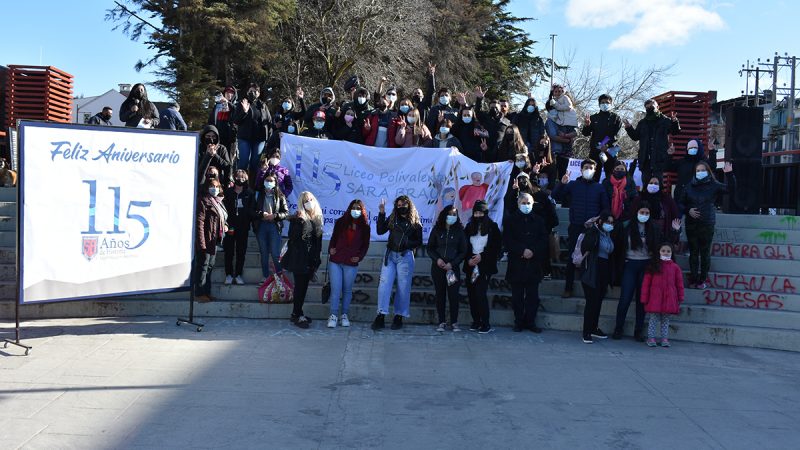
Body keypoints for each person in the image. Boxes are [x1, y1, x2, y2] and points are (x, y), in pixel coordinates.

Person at [612, 201, 681, 341]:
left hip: (647, 266)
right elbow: (617, 244)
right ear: (637, 212)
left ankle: (638, 331)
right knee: (625, 299)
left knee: (641, 300)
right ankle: (618, 328)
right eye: (642, 212)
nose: (644, 215)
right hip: (629, 264)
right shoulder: (626, 226)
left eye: (647, 213)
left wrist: (675, 231)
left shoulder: (654, 227)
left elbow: (664, 244)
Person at [552, 159, 609, 298]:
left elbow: (606, 208)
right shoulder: (573, 185)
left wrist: (598, 219)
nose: (588, 169)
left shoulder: (599, 187)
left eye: (591, 167)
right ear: (581, 169)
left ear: (595, 170)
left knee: (592, 258)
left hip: (593, 229)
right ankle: (568, 288)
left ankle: (592, 289)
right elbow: (555, 196)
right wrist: (561, 183)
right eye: (586, 167)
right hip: (576, 226)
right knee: (572, 257)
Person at [677, 160, 735, 289]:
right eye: (698, 170)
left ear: (708, 171)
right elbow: (680, 202)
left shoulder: (713, 185)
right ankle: (693, 278)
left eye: (703, 170)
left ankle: (702, 279)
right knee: (693, 252)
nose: (700, 172)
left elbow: (730, 189)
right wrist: (688, 210)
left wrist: (729, 175)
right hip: (691, 224)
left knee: (704, 253)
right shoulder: (688, 186)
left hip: (707, 223)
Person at [372, 196, 423, 331]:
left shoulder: (415, 221)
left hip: (405, 256)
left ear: (409, 205)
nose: (401, 207)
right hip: (390, 255)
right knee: (384, 284)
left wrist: (407, 243)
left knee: (403, 287)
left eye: (403, 204)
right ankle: (381, 315)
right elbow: (380, 230)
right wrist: (382, 213)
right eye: (398, 205)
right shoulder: (393, 218)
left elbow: (419, 241)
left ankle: (399, 316)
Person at [504, 193, 548, 332]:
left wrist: (532, 251)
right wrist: (522, 250)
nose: (526, 205)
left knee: (532, 297)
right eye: (523, 202)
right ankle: (518, 322)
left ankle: (530, 322)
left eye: (528, 203)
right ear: (518, 204)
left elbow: (543, 240)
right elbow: (508, 240)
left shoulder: (539, 221)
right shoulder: (511, 220)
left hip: (533, 264)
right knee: (517, 296)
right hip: (517, 263)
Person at [327, 199, 371, 328]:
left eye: (358, 208)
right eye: (353, 207)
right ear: (349, 208)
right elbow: (333, 238)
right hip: (336, 260)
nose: (355, 210)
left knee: (347, 290)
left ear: (362, 210)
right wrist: (331, 248)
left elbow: (365, 245)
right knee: (336, 289)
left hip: (351, 262)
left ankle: (344, 315)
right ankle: (333, 315)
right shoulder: (341, 222)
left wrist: (360, 257)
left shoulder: (365, 227)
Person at [283, 191, 323, 329]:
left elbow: (318, 242)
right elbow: (293, 238)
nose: (309, 202)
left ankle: (297, 313)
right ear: (301, 203)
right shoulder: (298, 219)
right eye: (306, 200)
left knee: (304, 287)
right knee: (300, 288)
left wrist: (317, 260)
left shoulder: (317, 218)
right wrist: (298, 221)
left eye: (311, 199)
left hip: (310, 260)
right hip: (299, 260)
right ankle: (297, 314)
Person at [427, 206, 468, 332]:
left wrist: (453, 263)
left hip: (452, 269)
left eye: (454, 214)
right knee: (440, 295)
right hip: (438, 268)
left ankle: (454, 322)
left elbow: (463, 251)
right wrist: (437, 259)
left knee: (453, 296)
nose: (452, 216)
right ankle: (442, 322)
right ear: (444, 215)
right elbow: (430, 248)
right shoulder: (437, 229)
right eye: (449, 214)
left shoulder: (460, 231)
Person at [464, 200, 502, 333]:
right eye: (476, 213)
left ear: (485, 213)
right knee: (472, 294)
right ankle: (476, 321)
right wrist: (469, 259)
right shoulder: (469, 227)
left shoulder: (492, 227)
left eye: (480, 213)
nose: (478, 215)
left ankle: (485, 323)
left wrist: (482, 256)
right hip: (471, 265)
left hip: (485, 266)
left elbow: (496, 247)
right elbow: (464, 246)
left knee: (480, 293)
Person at [578, 212, 616, 344]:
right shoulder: (593, 232)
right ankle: (586, 331)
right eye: (607, 222)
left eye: (612, 223)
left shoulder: (608, 235)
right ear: (600, 221)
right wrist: (591, 226)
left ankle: (594, 328)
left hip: (603, 271)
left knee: (598, 302)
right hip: (592, 270)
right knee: (591, 302)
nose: (610, 225)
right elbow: (586, 246)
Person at [624, 98, 680, 182]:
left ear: (657, 107)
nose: (650, 108)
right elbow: (635, 137)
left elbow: (675, 132)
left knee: (657, 183)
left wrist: (675, 122)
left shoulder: (665, 120)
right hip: (645, 159)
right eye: (647, 107)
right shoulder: (642, 123)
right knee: (645, 183)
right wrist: (629, 128)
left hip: (659, 159)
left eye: (652, 106)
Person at [641, 243, 684, 347]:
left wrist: (680, 297)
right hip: (655, 297)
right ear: (659, 252)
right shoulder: (653, 266)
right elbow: (646, 283)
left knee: (665, 320)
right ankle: (651, 338)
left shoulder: (675, 267)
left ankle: (664, 338)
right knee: (653, 319)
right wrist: (644, 298)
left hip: (669, 298)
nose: (666, 253)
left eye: (668, 251)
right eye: (663, 250)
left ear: (672, 253)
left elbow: (679, 284)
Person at [195, 178, 227, 302]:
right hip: (206, 239)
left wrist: (225, 225)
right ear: (207, 187)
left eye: (217, 186)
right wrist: (201, 243)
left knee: (209, 267)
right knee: (203, 266)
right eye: (212, 186)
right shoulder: (204, 201)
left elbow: (222, 217)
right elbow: (200, 223)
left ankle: (207, 292)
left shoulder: (218, 201)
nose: (215, 189)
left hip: (214, 240)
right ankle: (199, 293)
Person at [253, 173, 289, 283]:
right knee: (264, 253)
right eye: (267, 180)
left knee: (275, 253)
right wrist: (260, 214)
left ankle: (279, 277)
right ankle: (265, 276)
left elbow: (286, 213)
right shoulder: (258, 194)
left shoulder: (280, 196)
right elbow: (252, 210)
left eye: (271, 181)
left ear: (275, 183)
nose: (268, 182)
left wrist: (275, 216)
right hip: (261, 226)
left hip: (274, 225)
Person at [222, 170, 255, 285]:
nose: (240, 180)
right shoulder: (228, 192)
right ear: (234, 178)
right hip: (231, 226)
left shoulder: (249, 193)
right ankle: (229, 274)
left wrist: (249, 220)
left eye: (242, 178)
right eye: (238, 177)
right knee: (229, 251)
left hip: (243, 227)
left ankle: (239, 274)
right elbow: (224, 208)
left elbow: (252, 209)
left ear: (246, 179)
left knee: (241, 251)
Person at [581, 94, 624, 181]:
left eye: (607, 102)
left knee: (611, 176)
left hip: (610, 151)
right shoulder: (593, 117)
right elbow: (585, 133)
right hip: (595, 151)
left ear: (611, 104)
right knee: (593, 176)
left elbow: (617, 135)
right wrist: (587, 125)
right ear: (599, 104)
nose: (605, 104)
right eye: (602, 102)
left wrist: (607, 145)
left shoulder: (616, 118)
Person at [233, 83, 272, 173]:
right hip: (244, 138)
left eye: (255, 91)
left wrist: (269, 137)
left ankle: (253, 185)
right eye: (250, 91)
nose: (253, 93)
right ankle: (240, 184)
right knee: (244, 161)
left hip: (259, 139)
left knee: (255, 163)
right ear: (247, 92)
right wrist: (244, 112)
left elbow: (269, 121)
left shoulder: (263, 105)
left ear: (258, 93)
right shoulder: (242, 103)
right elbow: (235, 121)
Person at [208, 86, 239, 168]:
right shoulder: (218, 105)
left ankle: (229, 177)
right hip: (218, 135)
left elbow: (238, 113)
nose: (229, 94)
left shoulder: (237, 105)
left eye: (232, 93)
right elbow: (212, 120)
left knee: (230, 158)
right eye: (227, 92)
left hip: (231, 137)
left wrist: (228, 103)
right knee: (218, 156)